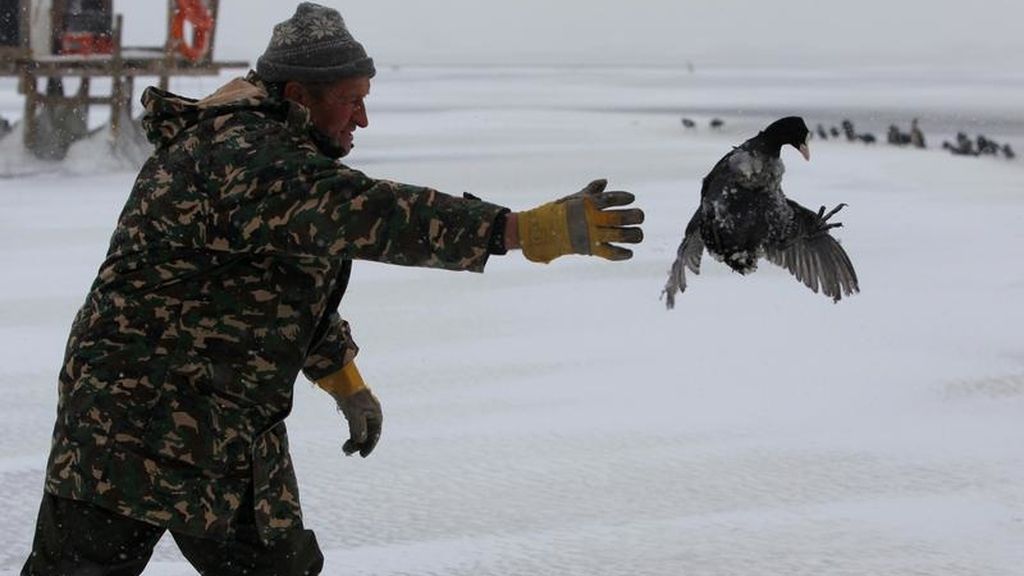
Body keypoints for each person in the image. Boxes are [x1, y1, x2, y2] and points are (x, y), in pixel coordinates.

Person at [21, 3, 644, 575]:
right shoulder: (241, 155)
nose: (363, 118)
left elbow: (282, 288)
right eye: (350, 100)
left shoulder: (281, 160)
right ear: (298, 95)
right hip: (128, 419)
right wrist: (515, 231)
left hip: (229, 426)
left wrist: (347, 382)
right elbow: (365, 212)